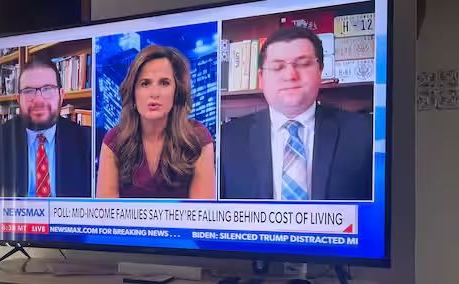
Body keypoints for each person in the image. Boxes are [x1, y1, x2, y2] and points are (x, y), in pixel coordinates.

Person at [220, 26, 373, 201]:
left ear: (320, 70)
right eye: (277, 67)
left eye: (303, 64)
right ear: (262, 77)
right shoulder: (227, 139)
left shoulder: (365, 133)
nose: (290, 75)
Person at [96, 44, 215, 199]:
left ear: (177, 92)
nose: (154, 93)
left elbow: (201, 212)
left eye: (164, 83)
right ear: (133, 93)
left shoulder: (198, 138)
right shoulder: (114, 140)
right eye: (145, 83)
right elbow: (107, 212)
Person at [0, 57, 91, 198]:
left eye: (48, 89)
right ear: (19, 100)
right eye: (28, 91)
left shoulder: (89, 142)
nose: (38, 100)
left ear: (61, 96)